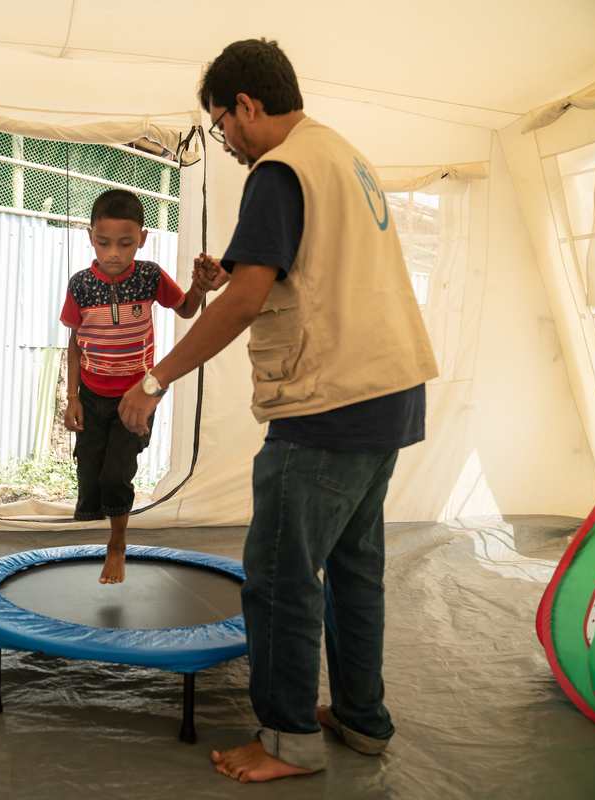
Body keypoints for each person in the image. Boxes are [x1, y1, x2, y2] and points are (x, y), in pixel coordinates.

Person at [119, 39, 438, 782]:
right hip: (389, 391)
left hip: (328, 403)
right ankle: (361, 718)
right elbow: (314, 263)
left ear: (249, 106)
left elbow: (250, 300)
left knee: (280, 576)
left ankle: (289, 740)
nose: (224, 138)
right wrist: (229, 268)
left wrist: (155, 379)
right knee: (355, 568)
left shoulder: (278, 168)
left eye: (222, 122)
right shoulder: (339, 154)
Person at [60, 189, 206, 583]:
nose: (113, 253)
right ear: (91, 237)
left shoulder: (149, 276)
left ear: (142, 238)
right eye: (104, 243)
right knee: (89, 471)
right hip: (91, 395)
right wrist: (72, 397)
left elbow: (188, 309)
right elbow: (74, 344)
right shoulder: (80, 286)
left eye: (125, 244)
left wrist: (199, 286)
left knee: (116, 473)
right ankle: (102, 521)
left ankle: (117, 544)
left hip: (136, 396)